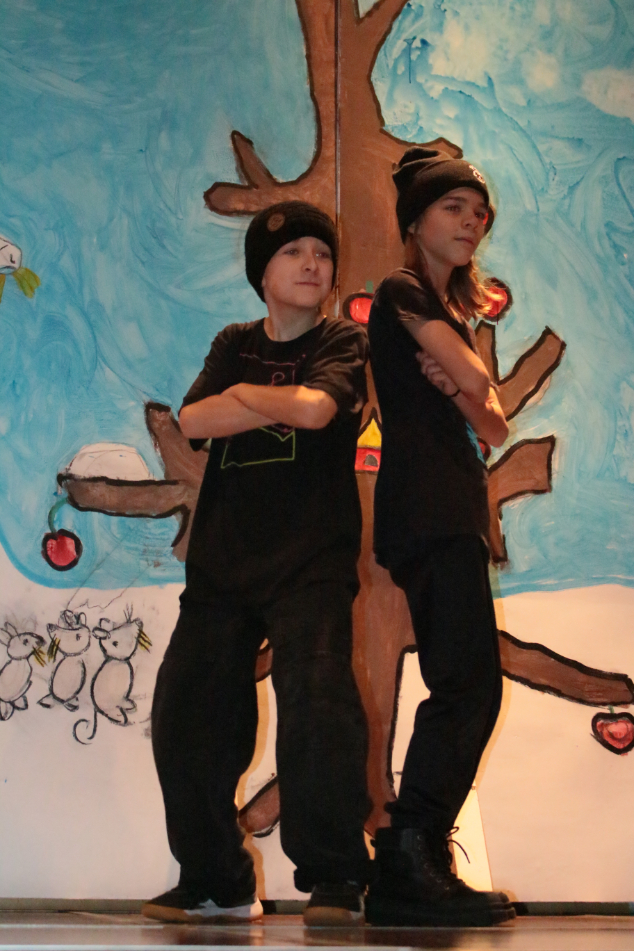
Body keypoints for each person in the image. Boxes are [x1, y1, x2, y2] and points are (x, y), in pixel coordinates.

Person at [143, 202, 371, 927]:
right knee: (186, 715)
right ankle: (219, 880)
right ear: (261, 274)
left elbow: (317, 410)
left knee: (319, 708)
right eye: (294, 252)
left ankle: (335, 877)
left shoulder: (343, 340)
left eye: (322, 254)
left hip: (311, 561)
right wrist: (259, 401)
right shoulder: (234, 341)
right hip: (223, 563)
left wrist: (241, 398)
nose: (312, 264)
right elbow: (193, 420)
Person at [365, 148, 514, 927]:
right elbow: (482, 388)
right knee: (468, 686)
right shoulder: (402, 290)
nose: (471, 222)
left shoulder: (449, 310)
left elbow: (495, 422)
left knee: (467, 684)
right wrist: (464, 379)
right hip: (427, 507)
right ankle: (408, 857)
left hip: (450, 507)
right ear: (415, 220)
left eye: (478, 212)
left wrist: (459, 382)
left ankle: (415, 856)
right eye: (454, 208)